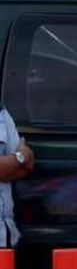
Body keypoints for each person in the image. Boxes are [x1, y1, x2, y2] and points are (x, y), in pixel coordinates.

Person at [0, 106, 34, 248]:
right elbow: (23, 157)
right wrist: (20, 157)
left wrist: (14, 161)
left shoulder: (3, 114)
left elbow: (26, 168)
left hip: (5, 233)